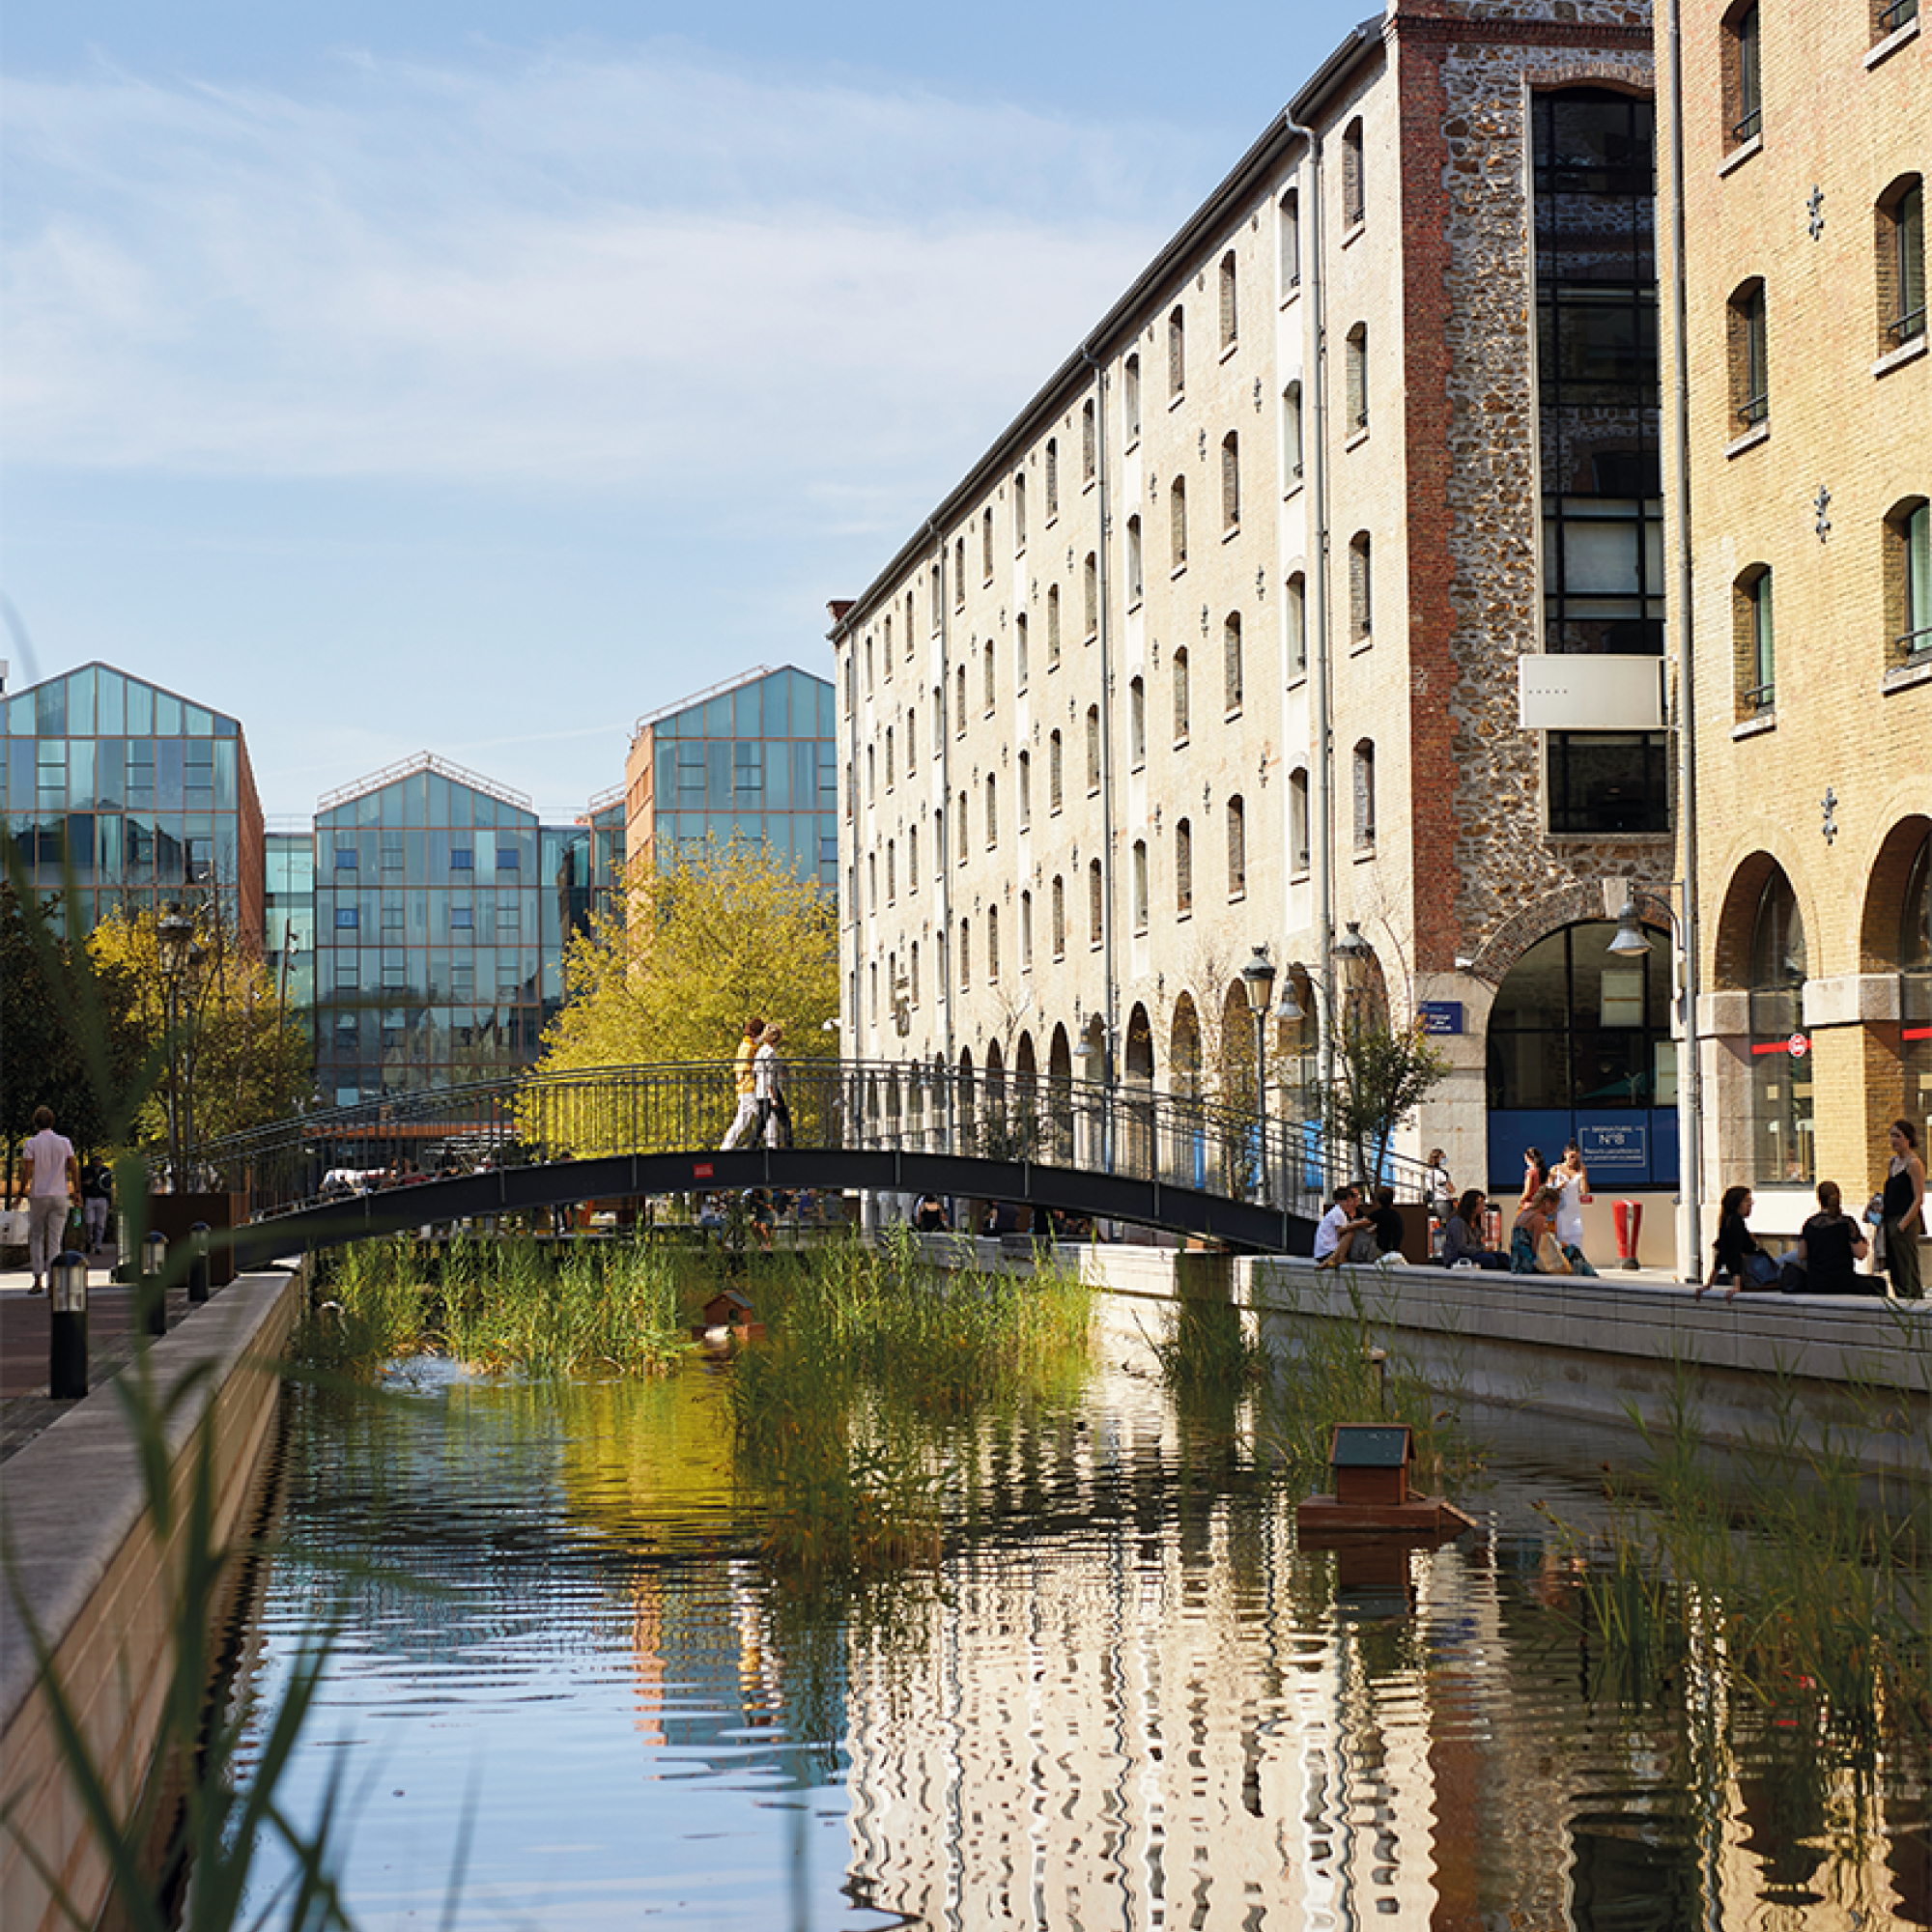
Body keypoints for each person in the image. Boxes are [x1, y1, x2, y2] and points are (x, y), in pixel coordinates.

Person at [21, 1105, 80, 1294]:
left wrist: (21, 1191)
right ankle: (54, 1282)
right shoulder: (64, 1142)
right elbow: (73, 1166)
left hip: (38, 1194)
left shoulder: (31, 1144)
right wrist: (76, 1191)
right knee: (56, 1239)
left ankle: (37, 1279)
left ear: (35, 1123)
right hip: (60, 1194)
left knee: (37, 1236)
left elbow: (27, 1170)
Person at [1793, 1179, 1871, 1295]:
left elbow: (1801, 1255)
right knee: (1878, 1284)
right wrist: (1865, 1243)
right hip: (1843, 1283)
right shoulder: (1847, 1223)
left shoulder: (1810, 1224)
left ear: (1819, 1199)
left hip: (1816, 1284)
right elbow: (1860, 1254)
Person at [1701, 1184, 1780, 1297]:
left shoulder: (1726, 1221)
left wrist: (1709, 1283)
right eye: (1747, 1201)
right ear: (1736, 1204)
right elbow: (1735, 1254)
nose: (1750, 1204)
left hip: (1755, 1271)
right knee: (1795, 1257)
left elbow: (1722, 1255)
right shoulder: (1735, 1221)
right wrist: (1737, 1285)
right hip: (1757, 1271)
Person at [1880, 1120, 1926, 1299]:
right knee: (1894, 1267)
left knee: (1907, 1266)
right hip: (1889, 1219)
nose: (1893, 1140)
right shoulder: (1892, 1163)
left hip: (1904, 1220)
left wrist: (1903, 1224)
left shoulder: (1914, 1163)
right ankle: (1900, 1300)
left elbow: (1918, 1198)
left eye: (1897, 1136)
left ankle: (1914, 1303)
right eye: (1891, 1135)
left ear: (1908, 1138)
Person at [720, 1015, 765, 1150]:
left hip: (745, 1088)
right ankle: (769, 1145)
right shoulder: (748, 1047)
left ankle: (726, 1147)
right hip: (749, 1087)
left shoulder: (747, 1045)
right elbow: (743, 1067)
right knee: (765, 1116)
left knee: (741, 1121)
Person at [1441, 1188, 1507, 1269]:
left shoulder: (1476, 1222)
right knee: (1489, 1260)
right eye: (1480, 1203)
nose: (1483, 1206)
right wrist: (1482, 1249)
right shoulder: (1458, 1222)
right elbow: (1462, 1247)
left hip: (1473, 1253)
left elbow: (1476, 1243)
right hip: (1457, 1256)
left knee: (1503, 1257)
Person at [1314, 1183, 1375, 1267]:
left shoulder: (1339, 1212)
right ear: (1339, 1201)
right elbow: (1340, 1231)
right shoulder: (1337, 1212)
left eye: (1350, 1201)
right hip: (1327, 1252)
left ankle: (1338, 1257)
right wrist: (1355, 1225)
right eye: (1347, 1202)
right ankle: (1336, 1258)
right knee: (1350, 1233)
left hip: (1325, 1252)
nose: (1349, 1204)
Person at [753, 1024, 789, 1149]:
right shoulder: (770, 1052)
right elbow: (769, 1075)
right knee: (785, 1122)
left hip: (761, 1090)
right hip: (770, 1090)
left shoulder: (761, 1051)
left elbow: (757, 1072)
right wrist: (773, 1096)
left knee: (761, 1122)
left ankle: (751, 1147)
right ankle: (789, 1150)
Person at [1552, 1140, 1590, 1255]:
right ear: (1565, 1154)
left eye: (1576, 1158)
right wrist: (1557, 1187)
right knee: (1562, 1241)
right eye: (1572, 1156)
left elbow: (1584, 1192)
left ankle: (1576, 1265)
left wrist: (1583, 1176)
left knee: (1577, 1239)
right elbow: (1548, 1190)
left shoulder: (1580, 1170)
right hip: (1561, 1211)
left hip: (1575, 1211)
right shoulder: (1555, 1169)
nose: (1573, 1160)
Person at [79, 1153, 113, 1255]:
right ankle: (89, 1240)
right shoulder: (86, 1170)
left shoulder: (106, 1171)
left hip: (102, 1198)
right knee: (89, 1222)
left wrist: (109, 1200)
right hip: (90, 1198)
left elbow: (108, 1185)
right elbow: (83, 1183)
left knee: (101, 1224)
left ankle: (98, 1246)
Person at [1367, 1184, 1406, 1261]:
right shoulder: (1394, 1215)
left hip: (1382, 1250)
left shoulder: (1380, 1214)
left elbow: (1357, 1224)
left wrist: (1342, 1229)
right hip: (1393, 1249)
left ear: (1378, 1200)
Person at [1519, 1146, 1549, 1214]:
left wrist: (1521, 1200)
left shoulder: (1531, 1172)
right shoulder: (1544, 1171)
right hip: (1542, 1205)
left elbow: (1527, 1192)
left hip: (1531, 1205)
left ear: (1529, 1159)